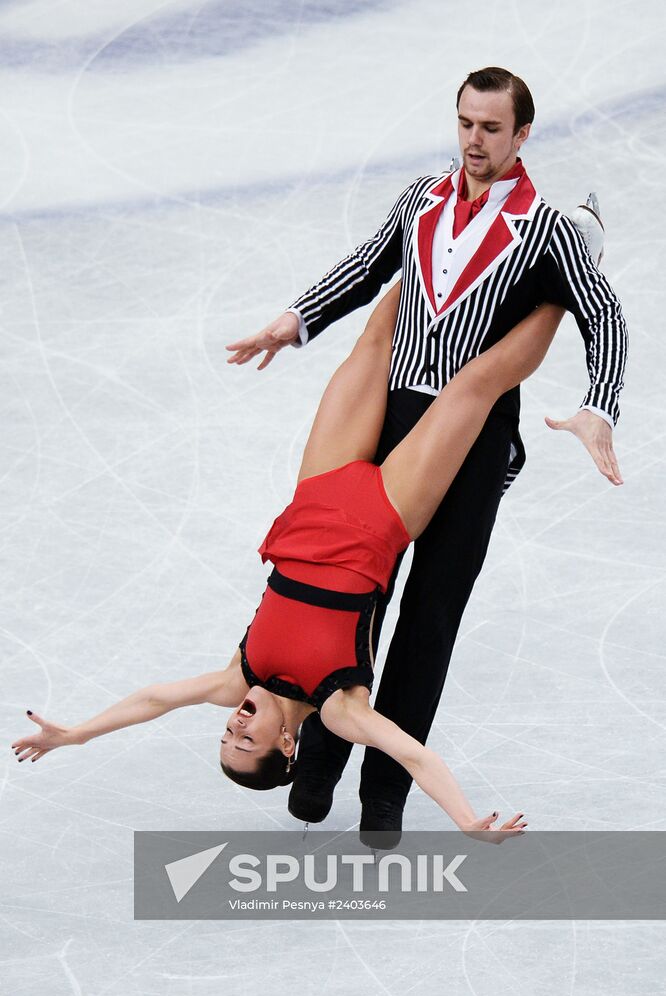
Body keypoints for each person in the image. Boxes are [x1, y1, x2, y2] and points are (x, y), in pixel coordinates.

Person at [224, 66, 628, 842]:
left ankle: (387, 793)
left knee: (429, 617)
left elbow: (603, 316)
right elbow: (369, 262)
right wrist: (294, 319)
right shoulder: (422, 199)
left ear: (521, 136)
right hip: (392, 420)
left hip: (472, 443)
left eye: (491, 129)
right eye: (465, 124)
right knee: (352, 599)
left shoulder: (545, 231)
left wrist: (596, 406)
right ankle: (317, 765)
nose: (474, 142)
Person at [10, 287, 565, 840]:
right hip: (386, 514)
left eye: (226, 736)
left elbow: (156, 698)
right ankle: (563, 289)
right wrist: (467, 822)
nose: (234, 724)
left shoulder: (238, 678)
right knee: (476, 384)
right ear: (286, 745)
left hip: (317, 492)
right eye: (246, 740)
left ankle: (427, 233)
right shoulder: (340, 709)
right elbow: (416, 757)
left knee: (374, 342)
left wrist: (78, 733)